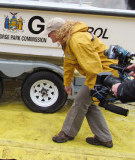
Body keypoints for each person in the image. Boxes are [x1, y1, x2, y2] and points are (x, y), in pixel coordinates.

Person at [43, 17, 118, 148]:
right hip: (100, 73)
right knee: (89, 105)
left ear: (57, 31)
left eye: (49, 33)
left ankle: (67, 133)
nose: (49, 36)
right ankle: (104, 138)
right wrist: (67, 83)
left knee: (80, 101)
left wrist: (95, 88)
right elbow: (69, 63)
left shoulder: (77, 41)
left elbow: (94, 68)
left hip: (104, 74)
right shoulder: (68, 40)